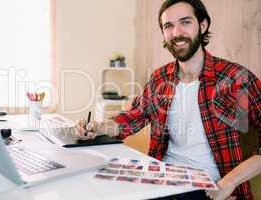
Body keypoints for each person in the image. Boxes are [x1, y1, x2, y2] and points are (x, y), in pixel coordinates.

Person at [75, 0, 261, 199]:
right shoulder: (159, 78)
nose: (176, 32)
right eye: (168, 26)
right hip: (160, 181)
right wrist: (97, 127)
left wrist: (230, 182)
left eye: (185, 22)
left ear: (203, 25)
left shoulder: (236, 78)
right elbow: (131, 119)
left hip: (210, 188)